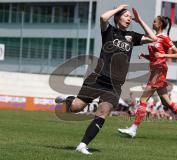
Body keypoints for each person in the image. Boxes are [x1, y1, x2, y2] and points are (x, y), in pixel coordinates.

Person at [55, 5, 157, 155]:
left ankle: (82, 145)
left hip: (115, 85)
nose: (129, 18)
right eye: (126, 15)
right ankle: (69, 99)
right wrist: (118, 8)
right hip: (98, 78)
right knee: (76, 108)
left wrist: (140, 20)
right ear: (117, 17)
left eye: (130, 16)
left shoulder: (132, 36)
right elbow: (103, 18)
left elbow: (153, 38)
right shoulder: (109, 30)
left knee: (103, 112)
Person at [118, 15, 177, 138]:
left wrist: (163, 56)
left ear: (159, 24)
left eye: (155, 21)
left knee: (143, 99)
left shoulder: (164, 37)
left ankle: (133, 129)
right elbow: (155, 55)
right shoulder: (154, 37)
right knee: (167, 102)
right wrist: (146, 56)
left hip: (159, 70)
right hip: (155, 70)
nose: (153, 22)